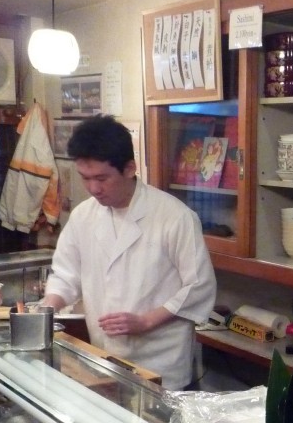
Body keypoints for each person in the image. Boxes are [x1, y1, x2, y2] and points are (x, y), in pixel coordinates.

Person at [38, 116, 216, 390]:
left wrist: (146, 320)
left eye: (102, 178)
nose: (93, 188)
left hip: (161, 363)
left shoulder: (174, 216)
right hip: (104, 357)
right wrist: (48, 307)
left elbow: (198, 286)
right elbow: (66, 273)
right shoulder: (83, 215)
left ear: (130, 168)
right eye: (86, 178)